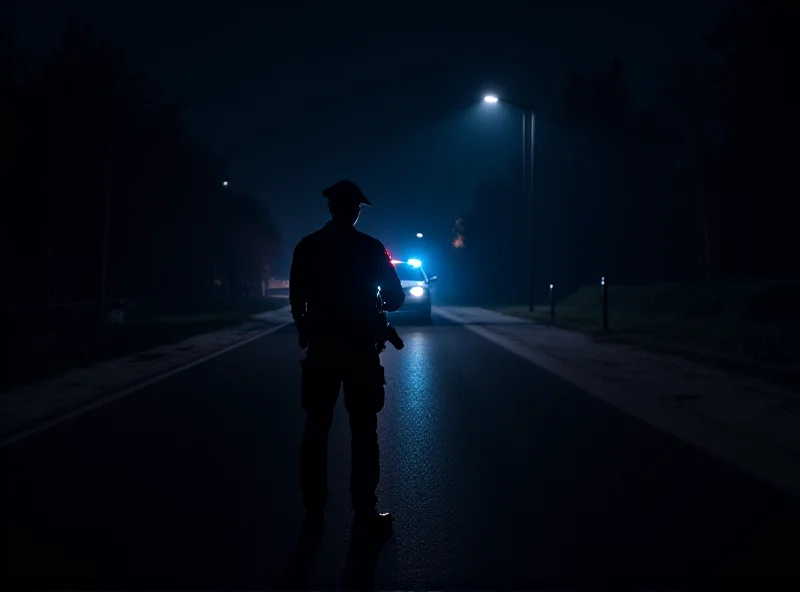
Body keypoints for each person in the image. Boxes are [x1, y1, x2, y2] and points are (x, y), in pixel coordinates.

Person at [289, 179, 405, 536]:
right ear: (355, 211)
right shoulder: (371, 248)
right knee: (364, 431)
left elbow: (297, 300)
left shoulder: (308, 246)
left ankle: (314, 511)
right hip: (360, 350)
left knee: (316, 430)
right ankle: (364, 511)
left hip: (322, 349)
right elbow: (397, 298)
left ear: (330, 208)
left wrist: (308, 327)